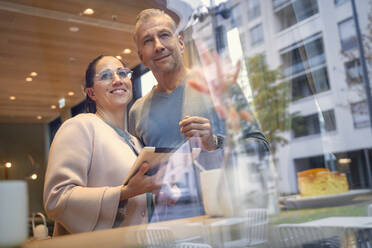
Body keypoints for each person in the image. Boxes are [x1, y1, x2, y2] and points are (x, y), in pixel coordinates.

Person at [128, 9, 269, 220]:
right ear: (141, 57)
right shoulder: (137, 112)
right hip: (168, 229)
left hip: (225, 220)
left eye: (164, 35)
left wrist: (215, 142)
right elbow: (140, 179)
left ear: (181, 43)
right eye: (148, 41)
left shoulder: (220, 87)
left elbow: (261, 147)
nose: (158, 46)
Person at [43, 55, 163, 235]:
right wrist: (123, 193)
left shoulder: (135, 142)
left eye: (123, 73)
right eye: (106, 76)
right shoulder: (80, 126)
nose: (117, 80)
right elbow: (56, 199)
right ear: (91, 93)